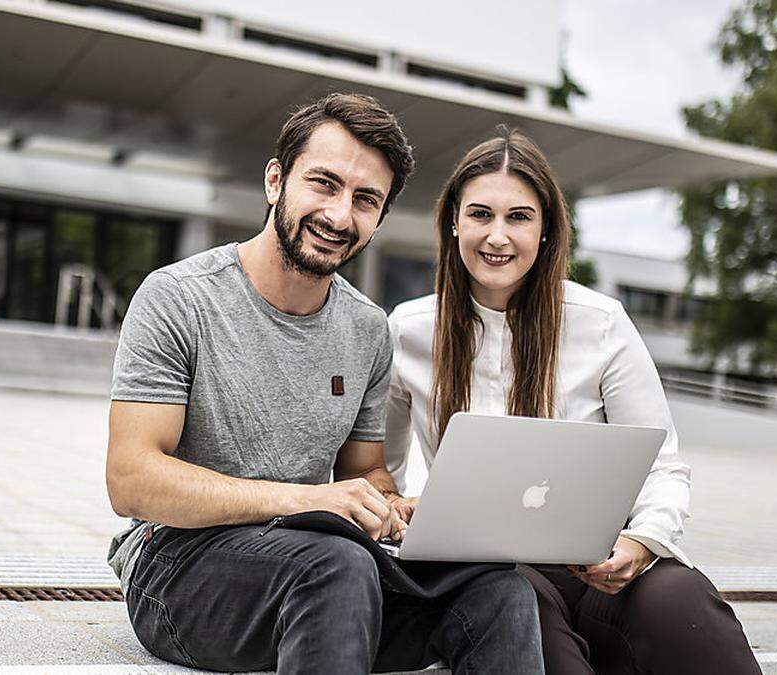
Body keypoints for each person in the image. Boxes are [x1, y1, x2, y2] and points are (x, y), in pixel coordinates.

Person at [105, 94, 543, 675]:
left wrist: (396, 508)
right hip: (178, 564)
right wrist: (309, 500)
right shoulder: (179, 298)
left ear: (379, 218)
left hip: (319, 564)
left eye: (366, 200)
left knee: (498, 591)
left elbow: (365, 471)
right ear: (275, 181)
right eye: (324, 184)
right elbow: (131, 480)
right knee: (337, 564)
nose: (340, 216)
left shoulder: (366, 329)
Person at [382, 126, 761, 674]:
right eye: (481, 214)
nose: (498, 236)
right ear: (453, 222)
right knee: (525, 615)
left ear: (546, 231)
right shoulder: (410, 330)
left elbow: (663, 466)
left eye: (519, 217)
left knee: (682, 604)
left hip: (603, 559)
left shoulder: (600, 322)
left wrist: (641, 543)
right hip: (492, 573)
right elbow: (383, 475)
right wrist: (403, 511)